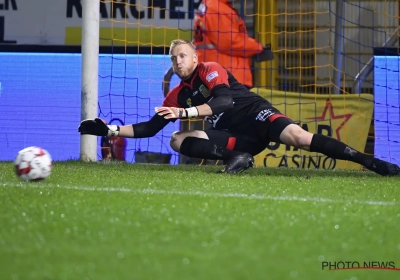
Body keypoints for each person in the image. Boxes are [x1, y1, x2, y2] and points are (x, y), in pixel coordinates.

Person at [78, 39, 400, 176]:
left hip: (255, 115)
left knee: (301, 139)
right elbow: (150, 128)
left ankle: (371, 163)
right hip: (236, 138)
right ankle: (239, 159)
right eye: (173, 59)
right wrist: (110, 129)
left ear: (194, 58)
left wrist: (186, 113)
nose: (177, 62)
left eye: (182, 56)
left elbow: (224, 101)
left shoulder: (211, 68)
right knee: (177, 140)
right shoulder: (177, 93)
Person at [193, 0, 273, 88]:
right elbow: (229, 43)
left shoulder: (213, 5)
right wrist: (258, 47)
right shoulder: (217, 7)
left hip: (218, 73)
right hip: (227, 75)